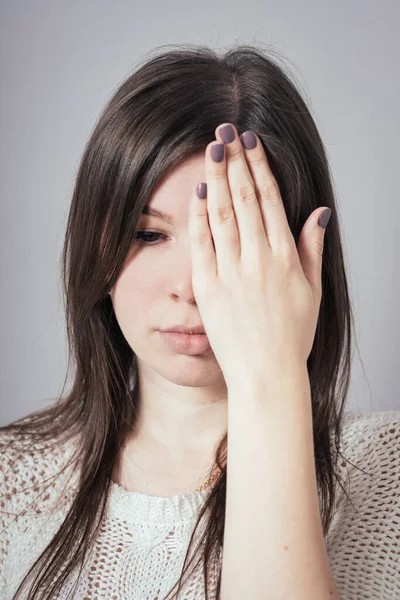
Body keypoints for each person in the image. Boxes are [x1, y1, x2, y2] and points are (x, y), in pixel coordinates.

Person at [1, 43, 399, 600]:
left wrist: (270, 377)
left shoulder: (386, 471)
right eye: (148, 234)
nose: (189, 288)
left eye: (232, 240)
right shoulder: (11, 478)